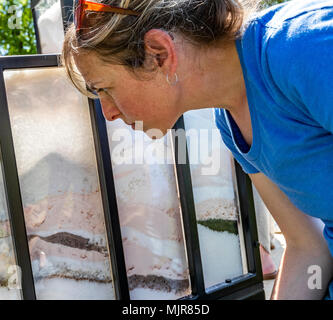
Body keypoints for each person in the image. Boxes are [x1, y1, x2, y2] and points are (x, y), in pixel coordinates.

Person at [62, 0, 333, 299]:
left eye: (105, 88)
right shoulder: (230, 124)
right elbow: (307, 247)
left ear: (158, 54)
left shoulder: (304, 47)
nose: (107, 113)